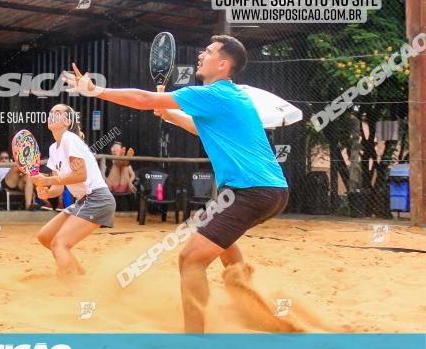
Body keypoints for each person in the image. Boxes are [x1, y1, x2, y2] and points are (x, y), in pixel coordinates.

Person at [65, 35, 289, 333]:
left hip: (249, 190)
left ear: (223, 64)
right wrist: (170, 114)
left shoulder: (213, 94)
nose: (201, 55)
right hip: (269, 189)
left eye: (208, 52)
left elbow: (144, 100)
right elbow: (201, 128)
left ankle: (194, 340)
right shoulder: (234, 97)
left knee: (190, 260)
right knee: (223, 243)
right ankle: (254, 309)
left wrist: (96, 90)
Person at [33, 104, 116, 287]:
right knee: (45, 237)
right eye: (51, 111)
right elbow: (58, 189)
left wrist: (49, 180)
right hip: (84, 200)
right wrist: (46, 190)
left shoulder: (70, 139)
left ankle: (72, 290)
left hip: (97, 199)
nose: (52, 114)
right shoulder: (54, 148)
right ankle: (81, 276)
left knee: (59, 244)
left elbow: (81, 175)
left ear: (67, 122)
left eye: (58, 112)